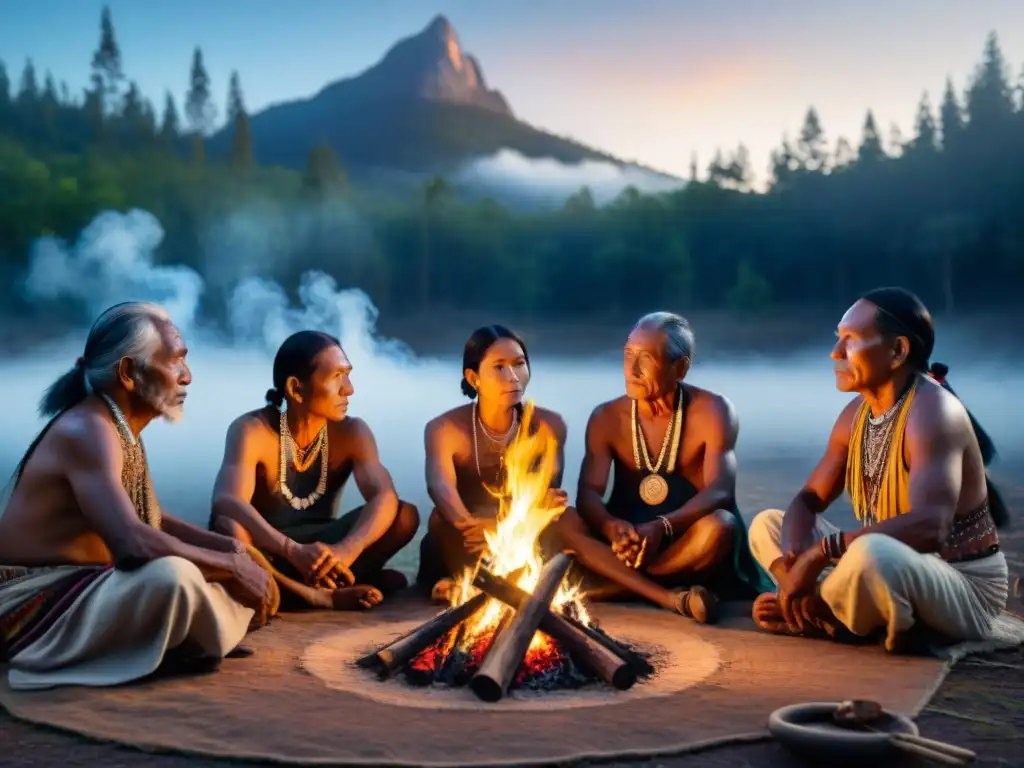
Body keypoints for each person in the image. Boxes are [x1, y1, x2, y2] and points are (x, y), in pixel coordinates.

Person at [0, 302, 268, 691]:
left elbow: (152, 517)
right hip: (28, 600)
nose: (187, 377)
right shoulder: (87, 429)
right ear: (128, 373)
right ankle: (185, 636)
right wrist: (228, 565)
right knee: (173, 577)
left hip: (83, 585)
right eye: (175, 361)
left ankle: (181, 635)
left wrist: (232, 551)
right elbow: (132, 542)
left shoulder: (117, 425)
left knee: (221, 561)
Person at [747, 287, 1008, 652]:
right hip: (887, 567)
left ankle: (821, 612)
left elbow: (932, 527)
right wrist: (794, 564)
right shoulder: (854, 415)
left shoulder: (934, 412)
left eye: (850, 340)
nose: (835, 353)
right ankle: (809, 604)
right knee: (767, 524)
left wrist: (822, 552)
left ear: (898, 351)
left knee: (870, 556)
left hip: (962, 584)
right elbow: (808, 500)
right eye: (837, 338)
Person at [547, 312, 771, 625]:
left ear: (680, 368)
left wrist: (662, 527)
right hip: (624, 543)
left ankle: (618, 584)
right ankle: (666, 595)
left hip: (683, 538)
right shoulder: (606, 417)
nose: (632, 369)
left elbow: (720, 491)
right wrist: (612, 526)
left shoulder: (713, 411)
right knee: (561, 518)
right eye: (628, 354)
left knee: (722, 527)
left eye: (646, 359)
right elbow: (589, 495)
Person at [210, 330, 419, 611]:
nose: (349, 389)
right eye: (336, 377)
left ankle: (330, 579)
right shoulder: (252, 430)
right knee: (228, 527)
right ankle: (312, 594)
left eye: (348, 375)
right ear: (296, 389)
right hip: (270, 553)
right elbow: (227, 501)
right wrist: (291, 550)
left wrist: (348, 549)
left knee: (404, 516)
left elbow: (384, 496)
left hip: (326, 551)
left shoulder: (353, 432)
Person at [417, 325, 568, 601]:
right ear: (473, 378)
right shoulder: (445, 429)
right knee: (441, 519)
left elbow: (544, 499)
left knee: (568, 520)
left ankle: (491, 588)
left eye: (519, 364)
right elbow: (439, 486)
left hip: (524, 535)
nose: (513, 377)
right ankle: (470, 584)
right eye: (499, 367)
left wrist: (497, 524)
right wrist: (472, 525)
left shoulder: (549, 426)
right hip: (464, 541)